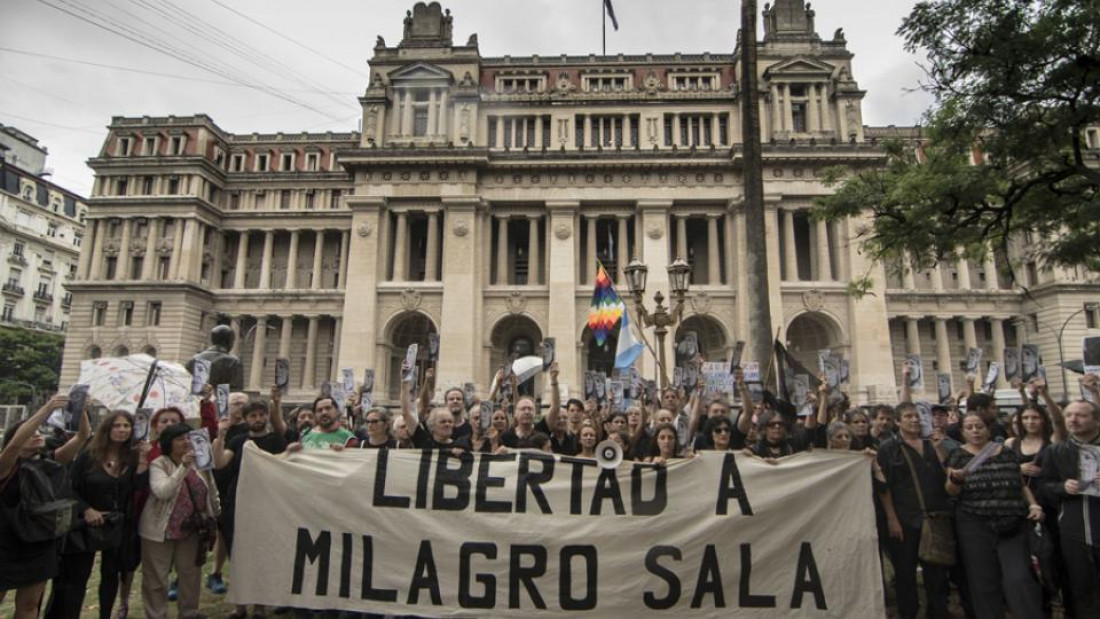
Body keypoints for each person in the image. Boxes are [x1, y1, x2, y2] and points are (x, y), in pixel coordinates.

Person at [46, 411, 151, 619]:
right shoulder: (89, 455)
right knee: (78, 578)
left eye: (126, 426)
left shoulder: (131, 457)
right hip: (85, 525)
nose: (122, 430)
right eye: (117, 426)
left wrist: (143, 460)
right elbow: (69, 487)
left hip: (116, 525)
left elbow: (138, 486)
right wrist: (87, 509)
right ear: (107, 429)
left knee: (111, 576)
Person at [945, 411, 1044, 618]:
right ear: (962, 432)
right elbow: (951, 490)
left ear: (988, 428)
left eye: (979, 426)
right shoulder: (957, 455)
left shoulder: (1006, 452)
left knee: (1019, 579)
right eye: (969, 427)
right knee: (983, 581)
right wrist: (957, 480)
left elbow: (1020, 483)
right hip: (974, 526)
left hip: (1012, 525)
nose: (975, 431)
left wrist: (1034, 505)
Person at [0, 394, 84, 619]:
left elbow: (83, 437)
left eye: (39, 432)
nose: (37, 435)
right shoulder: (5, 465)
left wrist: (81, 409)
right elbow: (16, 443)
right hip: (6, 543)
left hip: (39, 542)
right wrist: (46, 410)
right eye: (32, 433)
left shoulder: (50, 461)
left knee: (29, 606)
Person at [212, 396, 288, 619]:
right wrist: (220, 435)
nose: (258, 419)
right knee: (238, 554)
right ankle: (240, 604)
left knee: (261, 554)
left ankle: (260, 605)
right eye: (253, 416)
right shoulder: (237, 440)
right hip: (238, 501)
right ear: (245, 419)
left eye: (261, 415)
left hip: (265, 503)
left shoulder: (276, 440)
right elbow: (219, 462)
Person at [877, 402, 951, 619]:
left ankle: (937, 612)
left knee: (936, 574)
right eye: (908, 416)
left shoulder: (932, 446)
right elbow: (884, 487)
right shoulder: (888, 448)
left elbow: (947, 477)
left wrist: (939, 450)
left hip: (935, 519)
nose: (914, 420)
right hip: (905, 521)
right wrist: (892, 519)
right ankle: (908, 613)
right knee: (905, 574)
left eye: (917, 416)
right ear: (898, 421)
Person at [139, 423, 220, 619]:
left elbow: (210, 490)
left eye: (187, 437)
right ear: (169, 443)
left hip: (191, 530)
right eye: (179, 439)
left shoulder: (200, 462)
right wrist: (183, 467)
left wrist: (215, 516)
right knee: (156, 578)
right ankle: (156, 614)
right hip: (160, 530)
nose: (186, 442)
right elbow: (163, 491)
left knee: (190, 574)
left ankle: (189, 612)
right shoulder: (160, 463)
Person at [1038, 400, 1100, 617]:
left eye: (1081, 415)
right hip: (1074, 530)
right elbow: (1044, 487)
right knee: (1080, 587)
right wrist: (1062, 487)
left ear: (1097, 420)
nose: (1073, 420)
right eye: (1069, 415)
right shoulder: (1056, 451)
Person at [289, 396, 357, 451]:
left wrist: (343, 453)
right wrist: (291, 451)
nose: (324, 412)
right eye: (319, 410)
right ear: (315, 414)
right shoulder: (305, 435)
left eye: (328, 408)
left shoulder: (348, 438)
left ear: (337, 411)